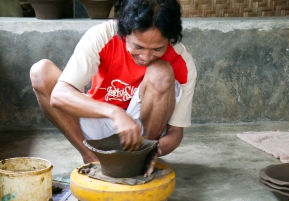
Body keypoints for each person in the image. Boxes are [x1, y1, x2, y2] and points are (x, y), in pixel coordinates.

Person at [30, 0, 197, 177]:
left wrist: (156, 149)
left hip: (141, 133)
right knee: (41, 71)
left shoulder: (182, 62)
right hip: (96, 120)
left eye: (158, 48)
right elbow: (59, 95)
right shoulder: (102, 35)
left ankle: (141, 158)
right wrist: (116, 113)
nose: (146, 57)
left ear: (169, 38)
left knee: (161, 72)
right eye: (138, 46)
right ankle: (90, 156)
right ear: (124, 31)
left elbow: (176, 133)